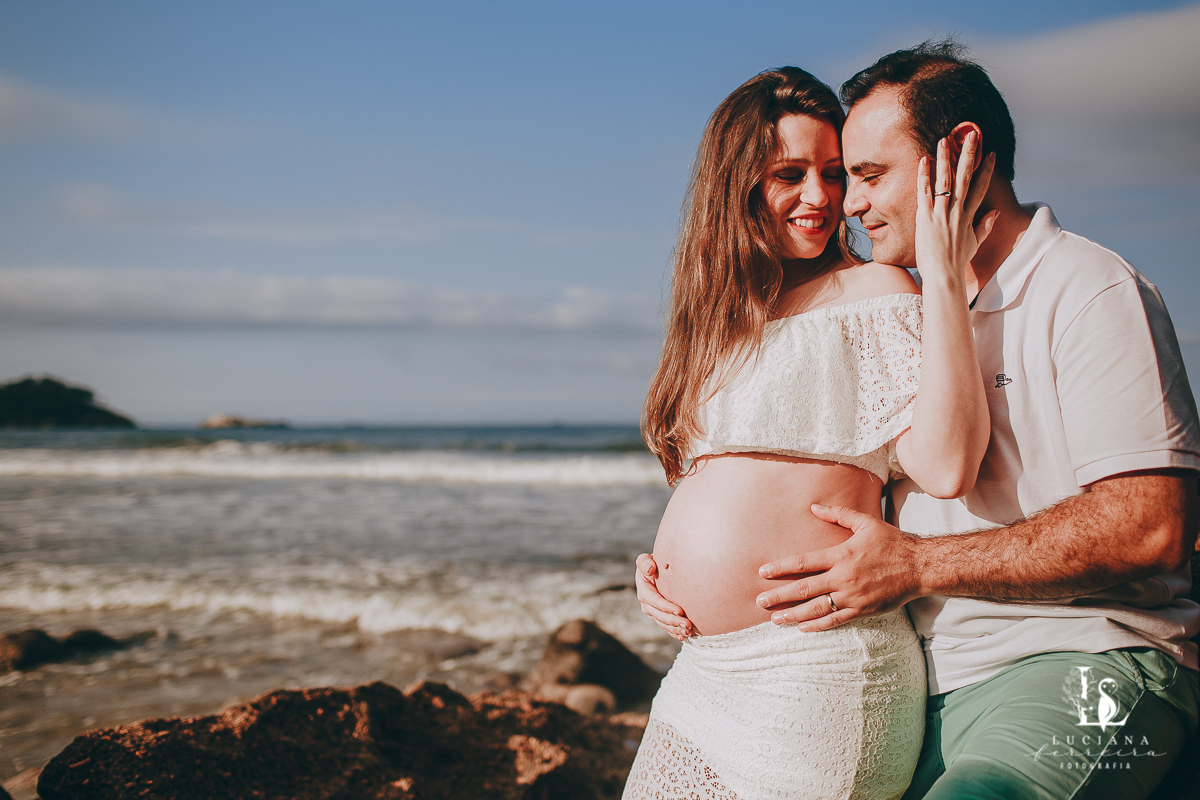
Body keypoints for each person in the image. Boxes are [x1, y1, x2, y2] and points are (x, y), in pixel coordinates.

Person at [637, 41, 1200, 800]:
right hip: (936, 665)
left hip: (1078, 655)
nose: (846, 204)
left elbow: (1149, 529)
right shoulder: (925, 302)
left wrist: (917, 565)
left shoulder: (1086, 288)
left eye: (862, 176)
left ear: (963, 156)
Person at [622, 64, 997, 800]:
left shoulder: (877, 291)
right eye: (789, 173)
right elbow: (722, 483)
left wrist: (945, 277)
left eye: (832, 173)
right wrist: (659, 571)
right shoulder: (716, 325)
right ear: (737, 185)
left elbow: (948, 464)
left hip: (817, 666)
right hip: (704, 675)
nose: (822, 198)